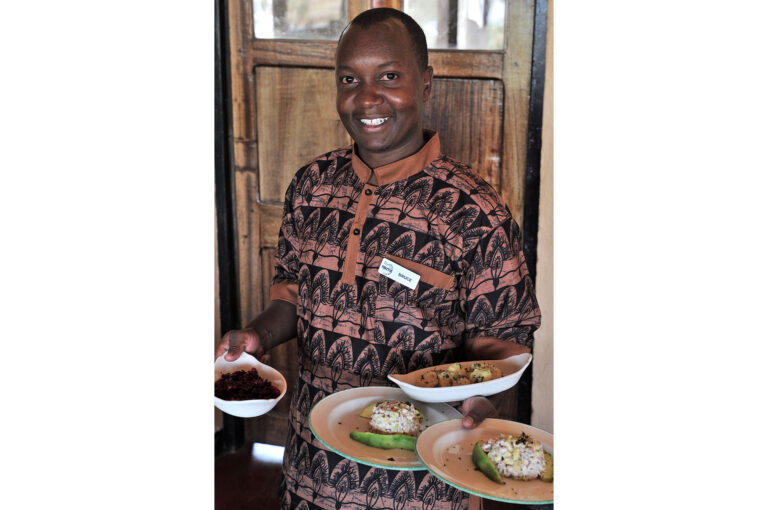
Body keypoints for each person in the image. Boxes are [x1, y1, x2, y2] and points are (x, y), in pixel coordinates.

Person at [216, 8, 541, 510]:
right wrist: (256, 335)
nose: (367, 98)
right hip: (313, 463)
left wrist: (486, 401)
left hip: (424, 477)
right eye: (350, 79)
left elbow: (502, 343)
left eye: (389, 76)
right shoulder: (310, 187)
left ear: (426, 83)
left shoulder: (474, 211)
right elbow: (292, 297)